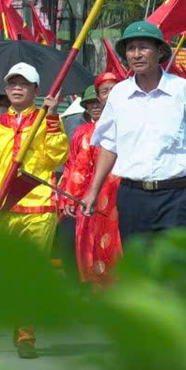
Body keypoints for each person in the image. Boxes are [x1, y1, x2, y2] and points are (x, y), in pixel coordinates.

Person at [78, 20, 186, 241]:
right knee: (139, 269)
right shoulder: (119, 94)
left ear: (159, 51)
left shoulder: (183, 90)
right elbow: (109, 146)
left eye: (143, 47)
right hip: (132, 197)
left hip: (176, 197)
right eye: (130, 48)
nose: (136, 54)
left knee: (173, 268)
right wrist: (93, 190)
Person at [0, 62, 70, 357]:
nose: (17, 88)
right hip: (4, 208)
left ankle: (27, 333)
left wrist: (51, 118)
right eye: (12, 83)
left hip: (39, 205)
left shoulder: (46, 120)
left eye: (24, 84)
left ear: (35, 90)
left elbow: (56, 156)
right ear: (5, 90)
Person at [58, 73, 124, 286]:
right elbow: (76, 167)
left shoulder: (132, 123)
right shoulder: (84, 133)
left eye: (113, 89)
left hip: (127, 193)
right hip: (94, 196)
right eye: (104, 91)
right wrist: (69, 198)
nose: (108, 96)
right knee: (93, 244)